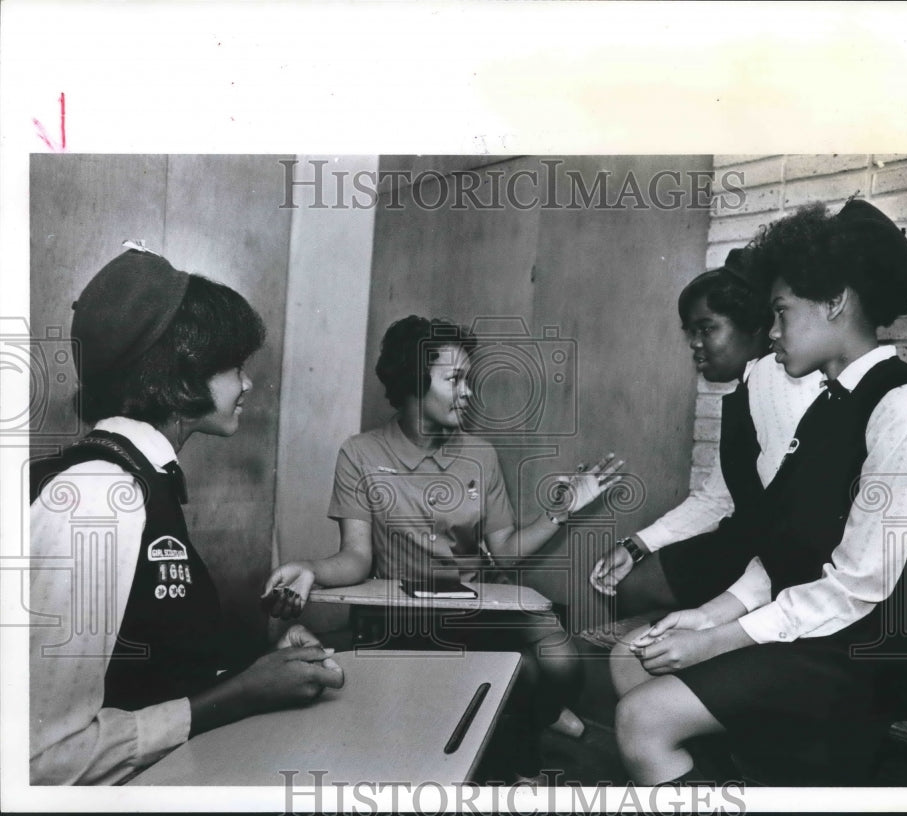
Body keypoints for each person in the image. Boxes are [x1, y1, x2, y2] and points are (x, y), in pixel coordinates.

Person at [611, 199, 907, 785]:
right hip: (826, 630)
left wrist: (716, 641)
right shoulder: (829, 406)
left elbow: (859, 588)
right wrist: (704, 616)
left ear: (834, 301)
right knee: (630, 662)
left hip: (881, 654)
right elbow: (784, 550)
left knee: (642, 718)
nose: (771, 332)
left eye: (781, 311)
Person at [29, 245, 345, 785]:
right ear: (180, 375)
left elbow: (145, 668)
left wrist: (258, 668)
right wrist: (238, 696)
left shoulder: (137, 479)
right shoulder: (100, 499)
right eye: (235, 367)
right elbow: (42, 763)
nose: (247, 384)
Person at [263, 314, 623, 778]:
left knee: (563, 659)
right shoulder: (360, 452)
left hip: (478, 605)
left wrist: (562, 510)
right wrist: (309, 567)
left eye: (467, 379)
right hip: (400, 613)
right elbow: (355, 558)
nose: (468, 392)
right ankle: (516, 758)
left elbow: (506, 552)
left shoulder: (481, 454)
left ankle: (541, 713)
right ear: (415, 381)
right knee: (522, 675)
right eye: (455, 379)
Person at [589, 249, 821, 616]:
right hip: (748, 546)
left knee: (637, 597)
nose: (695, 344)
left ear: (755, 326)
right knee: (637, 589)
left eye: (707, 329)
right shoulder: (750, 387)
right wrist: (637, 544)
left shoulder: (772, 381)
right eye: (691, 333)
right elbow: (719, 496)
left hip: (772, 561)